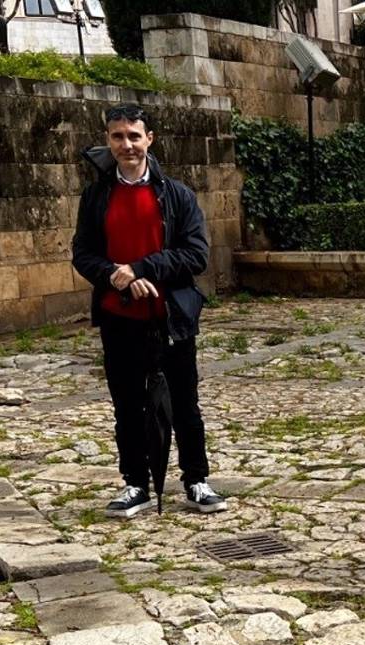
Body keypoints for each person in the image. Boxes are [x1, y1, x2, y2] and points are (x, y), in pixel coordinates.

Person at [71, 103, 227, 518]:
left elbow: (196, 255)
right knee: (127, 406)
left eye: (134, 136)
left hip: (170, 316)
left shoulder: (176, 195)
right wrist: (114, 276)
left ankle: (196, 479)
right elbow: (83, 254)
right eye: (118, 136)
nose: (127, 144)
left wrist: (142, 269)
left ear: (149, 140)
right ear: (109, 140)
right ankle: (135, 483)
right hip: (119, 317)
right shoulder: (96, 197)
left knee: (184, 404)